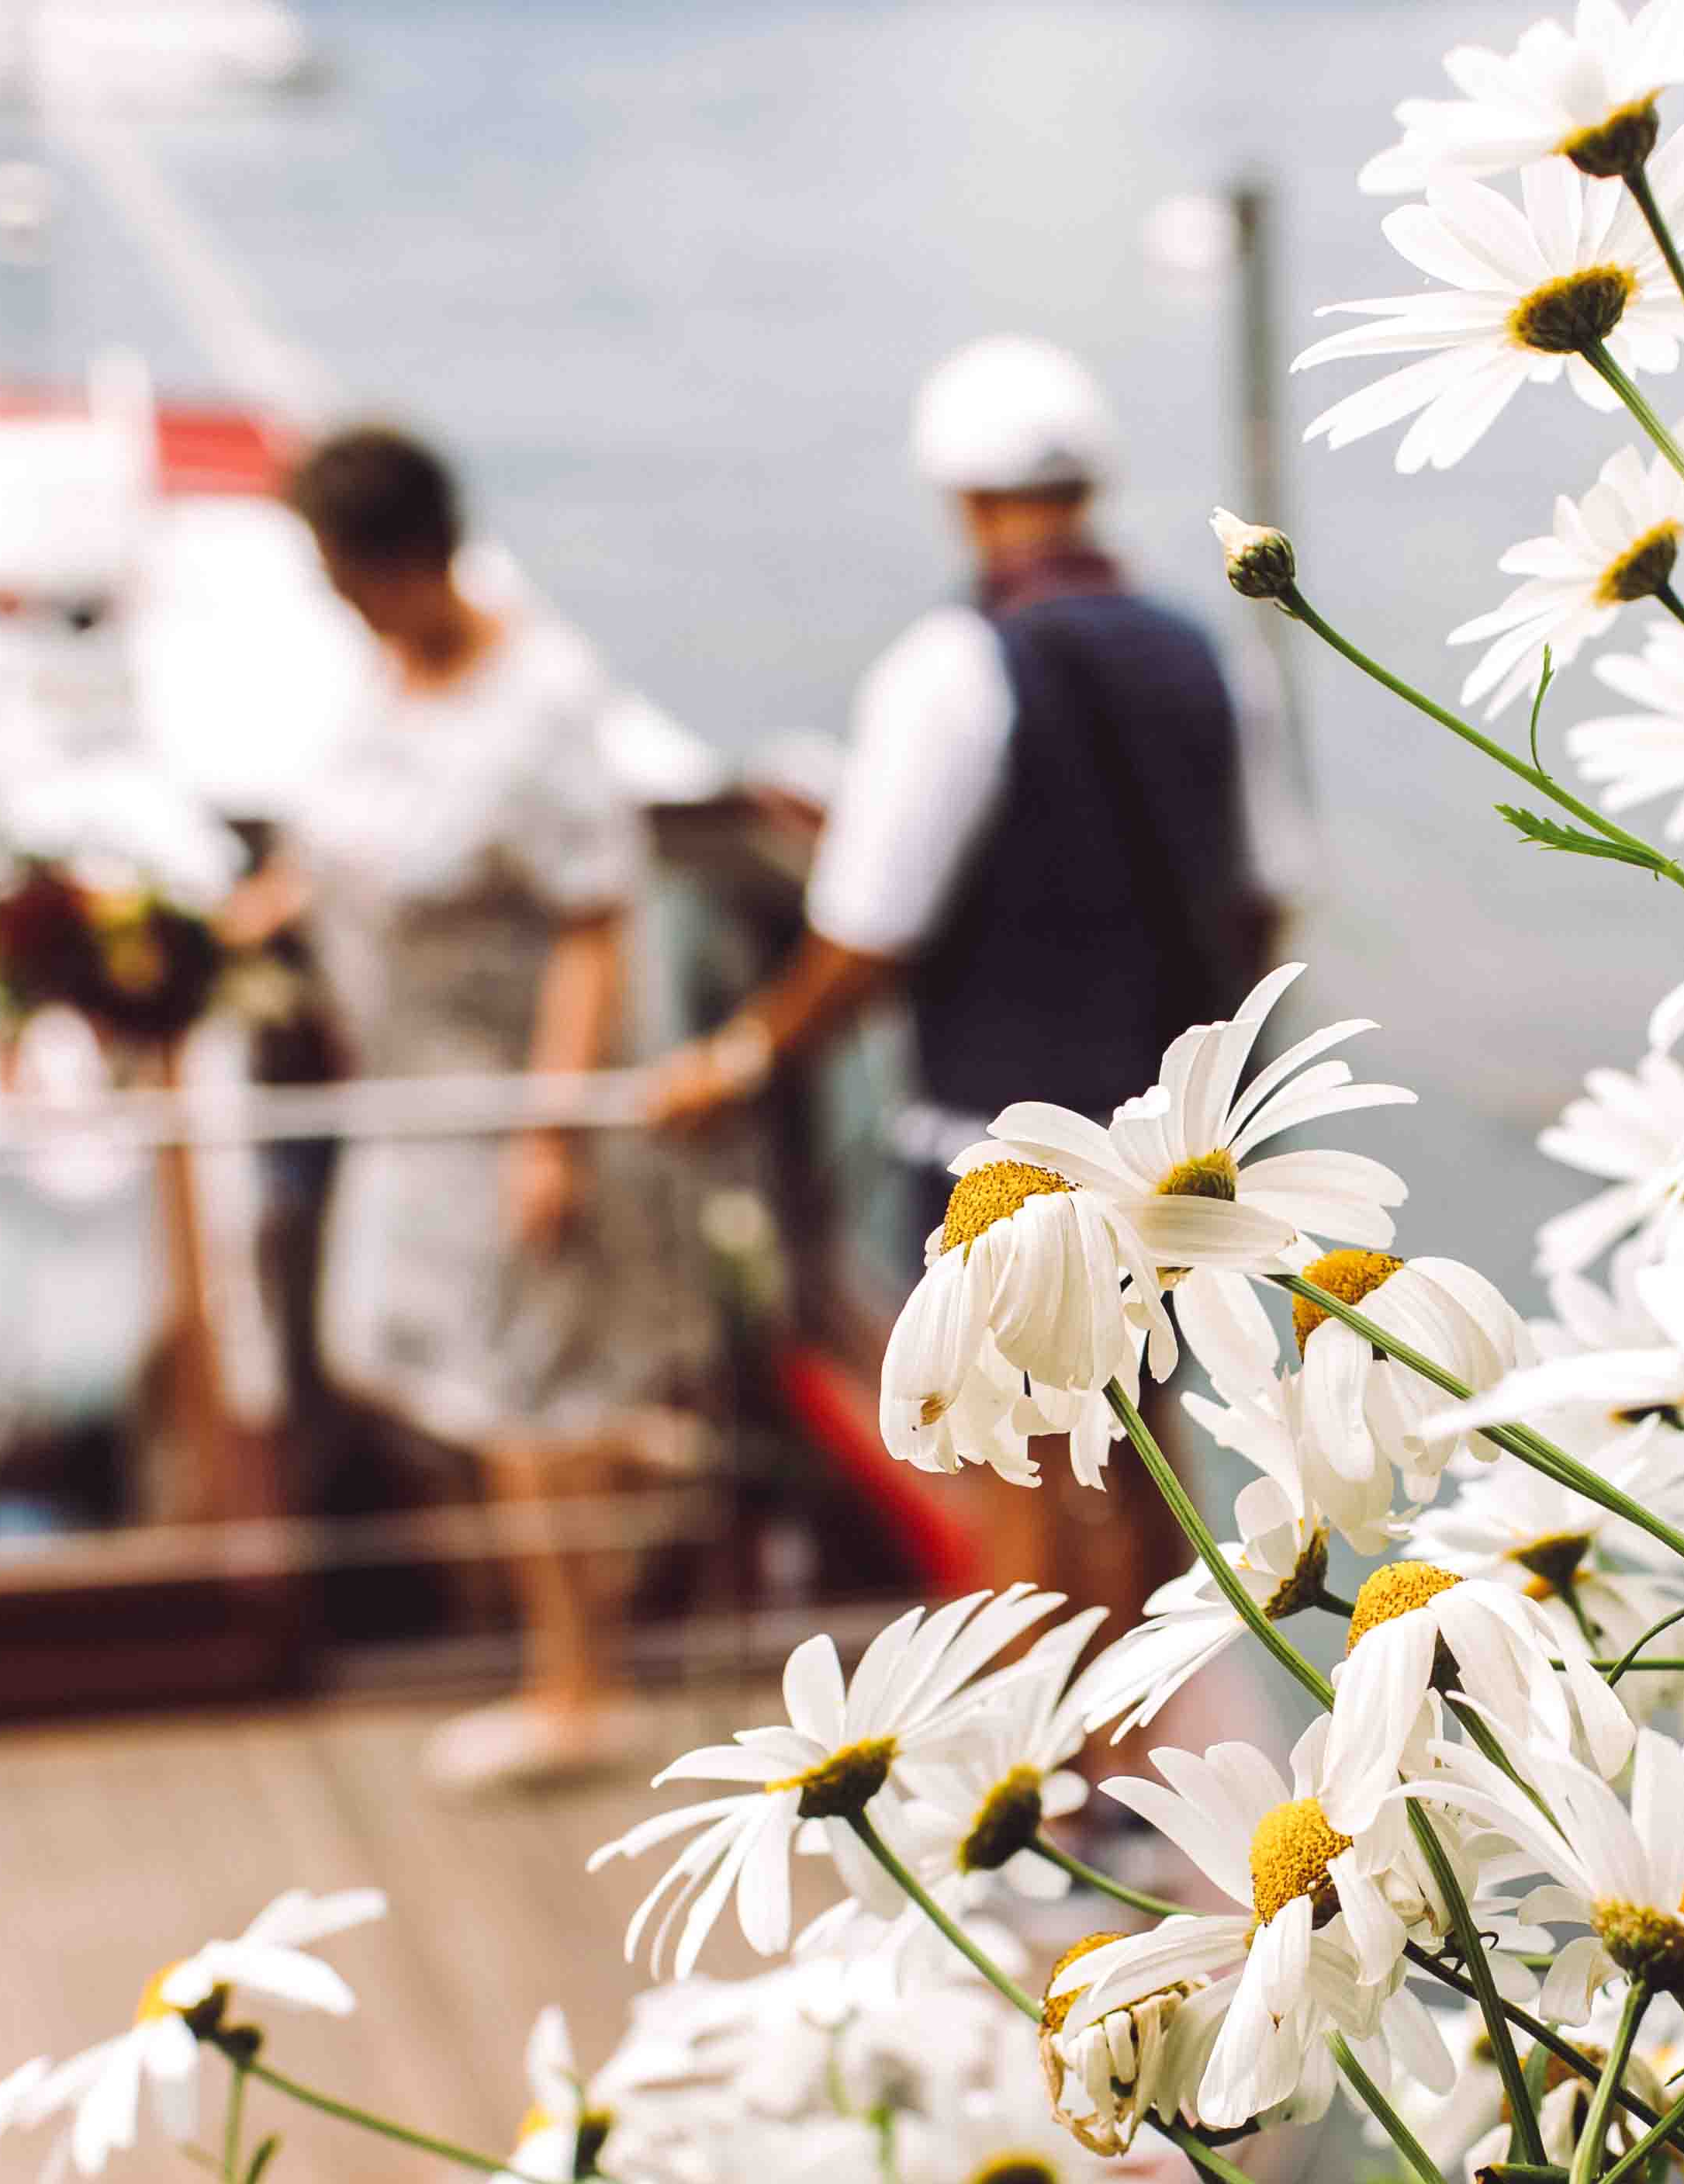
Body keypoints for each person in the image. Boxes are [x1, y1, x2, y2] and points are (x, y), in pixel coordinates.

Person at [646, 336, 1297, 1625]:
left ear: (960, 496)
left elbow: (868, 930)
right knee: (1146, 1435)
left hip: (999, 1143)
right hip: (1175, 1143)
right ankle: (1133, 1761)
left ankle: (1054, 1768)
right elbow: (1265, 893)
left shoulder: (950, 668)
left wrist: (744, 1058)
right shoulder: (1214, 654)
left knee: (1027, 1451)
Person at [241, 425, 714, 1791]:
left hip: (514, 1103)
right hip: (412, 1104)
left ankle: (579, 1681)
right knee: (441, 1366)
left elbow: (592, 921)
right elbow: (337, 844)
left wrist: (552, 1132)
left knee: (526, 1394)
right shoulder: (388, 678)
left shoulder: (542, 702)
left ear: (392, 561)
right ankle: (606, 1539)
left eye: (336, 570)